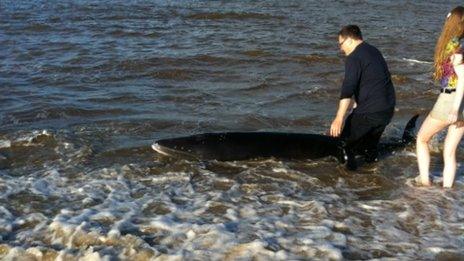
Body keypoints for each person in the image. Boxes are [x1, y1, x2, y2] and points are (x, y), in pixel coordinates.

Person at [329, 25, 396, 170]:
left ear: (349, 40)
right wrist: (358, 103)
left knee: (344, 144)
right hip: (386, 110)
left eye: (341, 44)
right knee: (368, 148)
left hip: (371, 111)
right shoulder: (373, 51)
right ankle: (371, 177)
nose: (341, 49)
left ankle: (349, 181)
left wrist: (339, 118)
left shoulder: (354, 57)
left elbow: (348, 87)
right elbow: (375, 80)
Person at [416, 6, 464, 188]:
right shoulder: (458, 44)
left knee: (422, 139)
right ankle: (446, 194)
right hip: (461, 105)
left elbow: (462, 80)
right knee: (450, 152)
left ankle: (425, 184)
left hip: (450, 102)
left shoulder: (454, 47)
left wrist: (454, 109)